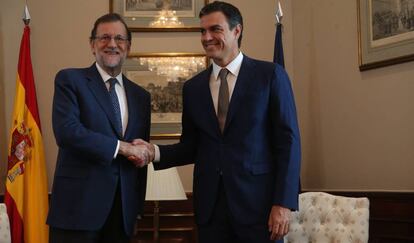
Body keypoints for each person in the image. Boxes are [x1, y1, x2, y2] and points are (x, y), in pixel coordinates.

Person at [133, 1, 301, 242]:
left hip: (260, 209)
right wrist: (153, 152)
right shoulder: (193, 88)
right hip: (210, 212)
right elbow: (191, 147)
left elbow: (289, 144)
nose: (206, 37)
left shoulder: (270, 76)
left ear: (237, 31)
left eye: (215, 29)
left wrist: (283, 203)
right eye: (202, 31)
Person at [47, 13, 151, 243]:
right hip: (77, 212)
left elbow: (140, 157)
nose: (112, 44)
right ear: (92, 45)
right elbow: (67, 132)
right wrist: (122, 148)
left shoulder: (141, 96)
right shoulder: (70, 80)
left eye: (119, 39)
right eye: (104, 37)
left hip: (122, 215)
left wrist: (137, 210)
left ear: (128, 47)